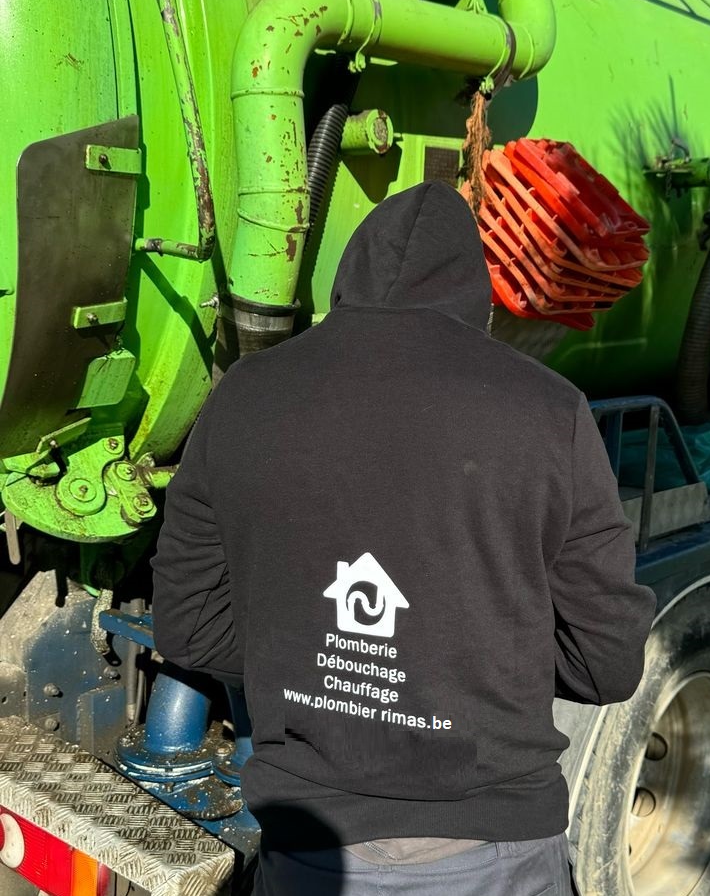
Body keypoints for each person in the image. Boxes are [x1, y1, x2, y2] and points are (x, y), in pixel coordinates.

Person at [152, 180, 656, 896]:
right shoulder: (549, 411)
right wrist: (459, 663)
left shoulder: (244, 395)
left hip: (306, 852)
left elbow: (189, 625)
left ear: (345, 275)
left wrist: (311, 663)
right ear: (475, 296)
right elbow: (607, 662)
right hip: (494, 854)